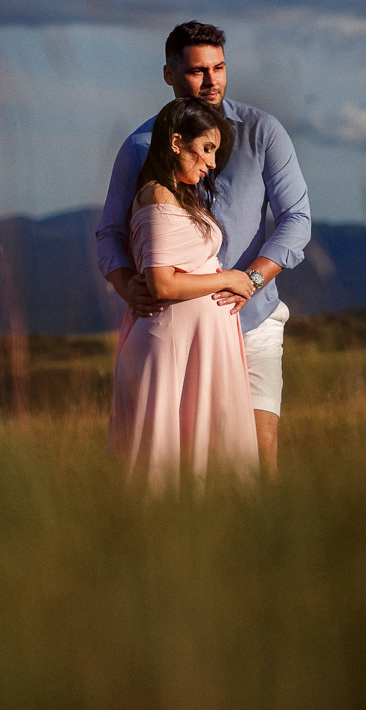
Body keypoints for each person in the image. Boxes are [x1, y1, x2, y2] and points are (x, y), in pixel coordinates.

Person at [96, 21, 311, 479]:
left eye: (219, 68)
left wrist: (251, 280)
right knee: (173, 464)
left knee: (255, 457)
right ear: (170, 75)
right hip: (170, 330)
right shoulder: (138, 146)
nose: (211, 81)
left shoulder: (262, 132)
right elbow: (109, 234)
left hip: (252, 323)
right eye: (197, 71)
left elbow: (296, 220)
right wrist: (125, 286)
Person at [107, 97, 259, 489]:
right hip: (171, 345)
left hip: (197, 345)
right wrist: (229, 279)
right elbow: (163, 283)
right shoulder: (157, 195)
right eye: (206, 149)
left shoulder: (181, 196)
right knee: (164, 461)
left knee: (202, 458)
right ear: (176, 142)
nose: (211, 162)